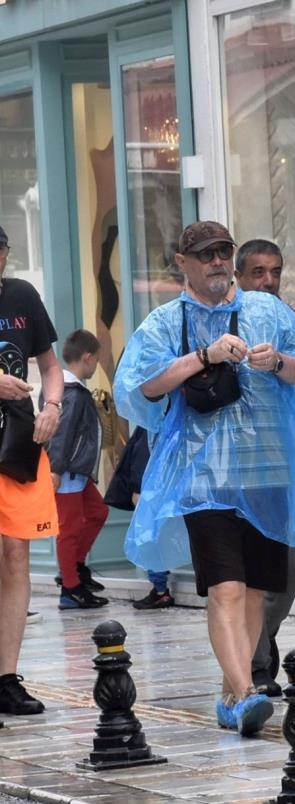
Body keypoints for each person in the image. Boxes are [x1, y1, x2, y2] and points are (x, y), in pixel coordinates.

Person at [114, 221, 295, 737]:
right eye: (206, 254)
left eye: (223, 252)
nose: (216, 261)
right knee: (226, 589)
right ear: (183, 261)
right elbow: (141, 387)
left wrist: (277, 360)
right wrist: (202, 358)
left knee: (255, 590)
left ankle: (232, 691)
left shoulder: (267, 310)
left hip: (265, 468)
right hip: (203, 478)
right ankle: (245, 691)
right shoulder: (167, 322)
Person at [234, 239, 295, 696]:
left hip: (281, 462)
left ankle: (263, 635)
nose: (267, 281)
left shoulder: (288, 320)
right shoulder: (221, 317)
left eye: (275, 271)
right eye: (258, 272)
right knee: (244, 576)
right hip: (232, 468)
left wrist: (280, 361)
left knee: (291, 568)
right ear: (240, 276)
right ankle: (257, 665)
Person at [0, 225, 63, 716]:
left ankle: (7, 677)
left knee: (16, 555)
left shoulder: (22, 296)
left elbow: (50, 366)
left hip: (17, 442)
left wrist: (54, 406)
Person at [45, 329, 109, 610]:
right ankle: (70, 588)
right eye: (96, 360)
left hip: (76, 472)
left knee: (97, 512)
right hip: (67, 471)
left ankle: (75, 568)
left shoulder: (70, 389)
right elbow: (61, 433)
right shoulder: (70, 392)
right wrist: (56, 470)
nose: (96, 366)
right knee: (68, 529)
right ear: (88, 357)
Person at [104, 425, 175, 610]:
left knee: (149, 537)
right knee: (156, 536)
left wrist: (137, 488)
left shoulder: (150, 422)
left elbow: (141, 456)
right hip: (166, 487)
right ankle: (160, 588)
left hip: (150, 490)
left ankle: (160, 591)